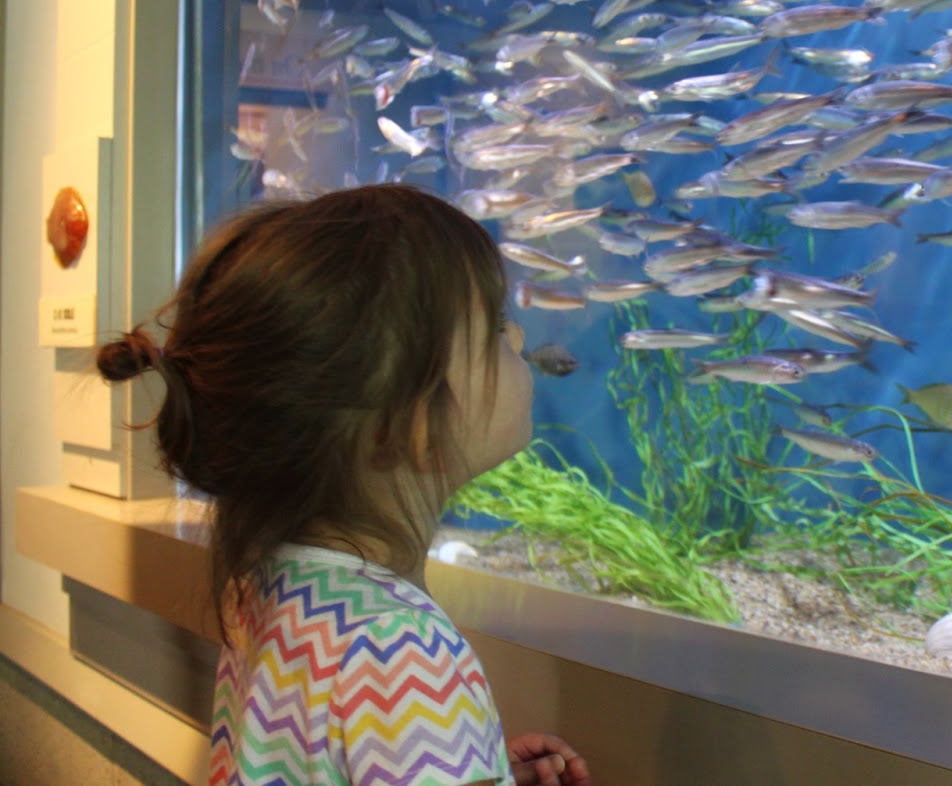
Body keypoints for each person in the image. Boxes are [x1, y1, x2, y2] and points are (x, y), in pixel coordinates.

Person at [96, 185, 592, 786]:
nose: (517, 340)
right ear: (405, 425)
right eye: (493, 329)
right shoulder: (404, 651)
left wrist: (472, 763)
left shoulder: (264, 585)